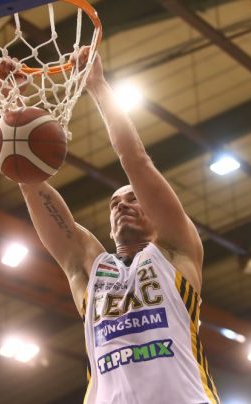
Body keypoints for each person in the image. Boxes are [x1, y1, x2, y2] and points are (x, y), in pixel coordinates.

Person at [18, 47, 220, 404]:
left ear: (154, 210)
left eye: (132, 198)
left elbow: (136, 161)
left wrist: (97, 85)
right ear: (110, 228)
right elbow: (29, 180)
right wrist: (14, 110)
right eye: (114, 203)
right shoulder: (90, 268)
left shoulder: (176, 252)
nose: (122, 205)